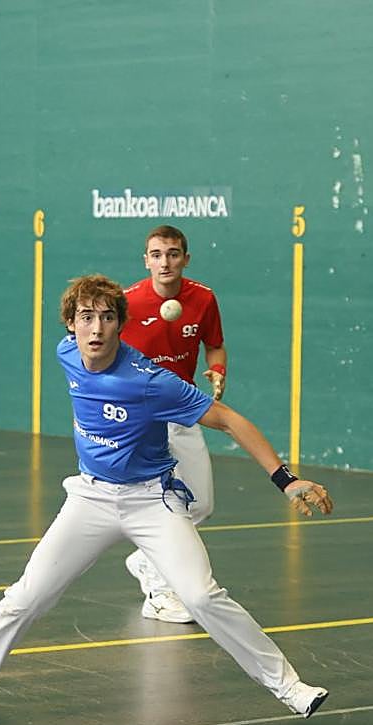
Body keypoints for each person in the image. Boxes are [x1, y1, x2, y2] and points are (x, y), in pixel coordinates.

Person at [0, 274, 333, 722]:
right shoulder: (67, 354)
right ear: (70, 325)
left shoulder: (150, 382)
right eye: (86, 318)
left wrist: (285, 479)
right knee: (25, 597)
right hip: (90, 498)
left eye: (106, 318)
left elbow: (230, 420)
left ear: (121, 325)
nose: (96, 329)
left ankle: (290, 688)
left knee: (200, 596)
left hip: (150, 500)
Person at [119, 225, 226, 624]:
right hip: (140, 419)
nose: (165, 262)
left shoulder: (203, 299)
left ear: (186, 258)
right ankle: (159, 591)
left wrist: (216, 369)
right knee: (161, 505)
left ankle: (145, 557)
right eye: (157, 254)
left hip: (184, 409)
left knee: (200, 503)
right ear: (146, 259)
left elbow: (214, 343)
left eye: (173, 254)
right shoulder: (126, 303)